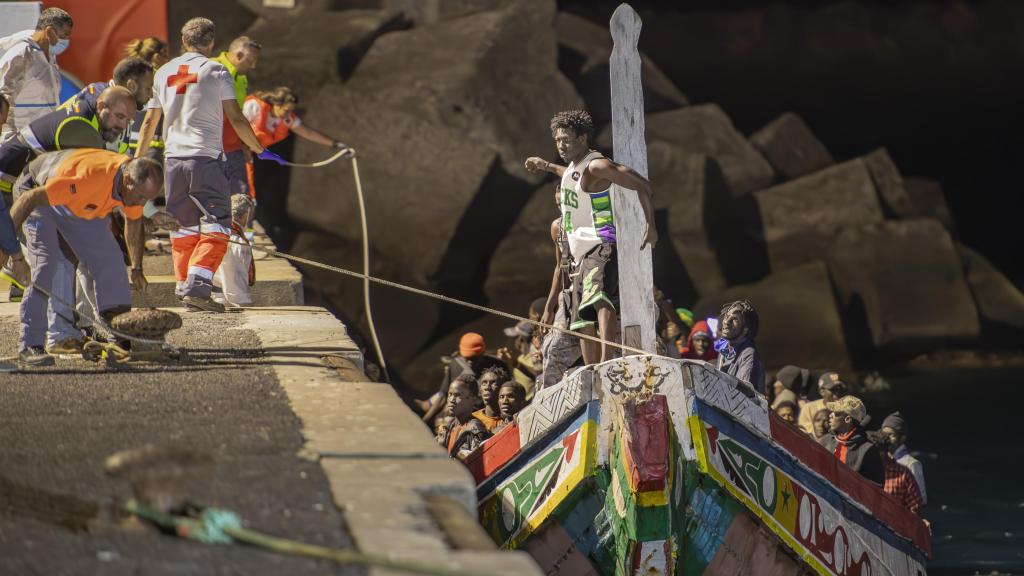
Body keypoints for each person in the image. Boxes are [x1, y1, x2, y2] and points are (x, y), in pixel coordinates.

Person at [134, 17, 271, 313]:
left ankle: (185, 286)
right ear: (210, 43)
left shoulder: (164, 72)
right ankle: (197, 286)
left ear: (183, 41)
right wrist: (257, 146)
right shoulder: (216, 70)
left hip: (173, 161)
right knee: (218, 225)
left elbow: (149, 122)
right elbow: (235, 117)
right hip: (205, 159)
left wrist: (135, 161)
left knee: (182, 228)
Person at [0, 86, 138, 354]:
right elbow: (35, 193)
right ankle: (54, 337)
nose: (123, 126)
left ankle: (73, 331)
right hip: (22, 187)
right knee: (53, 262)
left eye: (128, 120)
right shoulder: (80, 127)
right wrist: (12, 251)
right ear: (101, 106)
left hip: (37, 188)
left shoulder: (93, 124)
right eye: (120, 117)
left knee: (74, 259)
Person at [1, 149, 162, 366]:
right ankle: (30, 344)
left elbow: (133, 223)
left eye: (148, 199)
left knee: (112, 260)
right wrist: (9, 252)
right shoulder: (88, 178)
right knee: (47, 263)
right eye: (141, 197)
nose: (142, 204)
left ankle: (120, 337)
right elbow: (30, 198)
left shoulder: (131, 186)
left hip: (79, 202)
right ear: (127, 180)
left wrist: (137, 269)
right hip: (37, 193)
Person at [524, 109, 656, 364]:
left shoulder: (597, 165)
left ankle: (607, 362)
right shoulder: (575, 169)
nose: (561, 145)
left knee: (600, 300)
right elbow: (572, 176)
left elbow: (642, 184)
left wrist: (651, 224)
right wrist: (546, 166)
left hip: (601, 243)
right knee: (581, 317)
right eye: (558, 141)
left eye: (567, 140)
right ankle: (592, 369)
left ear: (583, 139)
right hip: (578, 255)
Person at [242, 86, 353, 198]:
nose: (288, 114)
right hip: (232, 150)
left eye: (291, 111)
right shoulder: (254, 107)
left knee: (247, 192)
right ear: (277, 104)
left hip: (246, 157)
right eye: (286, 110)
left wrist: (334, 143)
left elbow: (308, 133)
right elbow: (234, 126)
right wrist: (243, 147)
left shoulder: (287, 119)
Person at [0, 8, 73, 142]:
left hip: (42, 138)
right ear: (49, 31)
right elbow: (3, 99)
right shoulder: (21, 55)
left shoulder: (51, 56)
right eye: (64, 35)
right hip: (18, 139)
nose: (66, 41)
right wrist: (9, 140)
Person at [420, 332, 508, 425]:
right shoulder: (455, 365)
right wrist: (425, 420)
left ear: (482, 353)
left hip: (484, 416)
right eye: (467, 358)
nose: (470, 362)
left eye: (474, 358)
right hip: (457, 414)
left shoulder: (498, 366)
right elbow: (442, 395)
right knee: (441, 421)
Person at [212, 36, 261, 199]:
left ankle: (239, 225)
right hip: (211, 149)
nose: (253, 66)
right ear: (239, 55)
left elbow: (236, 116)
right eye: (251, 60)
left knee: (241, 197)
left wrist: (243, 144)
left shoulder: (241, 78)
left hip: (233, 147)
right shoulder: (211, 69)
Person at [539, 216, 582, 390]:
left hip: (598, 289)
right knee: (553, 348)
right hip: (569, 296)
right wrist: (549, 308)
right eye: (558, 203)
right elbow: (560, 267)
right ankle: (549, 396)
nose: (561, 207)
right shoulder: (558, 226)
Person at [818, 395, 884, 485]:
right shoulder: (825, 441)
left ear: (848, 419)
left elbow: (875, 489)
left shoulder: (867, 450)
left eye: (836, 413)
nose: (830, 415)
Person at [125, 37, 169, 161]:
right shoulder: (160, 77)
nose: (167, 60)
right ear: (156, 57)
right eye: (165, 55)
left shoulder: (131, 75)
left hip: (129, 142)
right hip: (152, 145)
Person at [61, 56, 155, 114]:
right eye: (148, 89)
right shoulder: (97, 103)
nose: (151, 95)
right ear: (131, 86)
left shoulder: (118, 105)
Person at [212, 193, 255, 307]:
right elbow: (236, 278)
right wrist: (244, 303)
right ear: (246, 215)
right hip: (230, 301)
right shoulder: (237, 242)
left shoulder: (218, 234)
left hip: (217, 297)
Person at [868, 430, 925, 515]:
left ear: (883, 452)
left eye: (873, 452)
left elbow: (915, 509)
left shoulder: (903, 474)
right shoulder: (865, 470)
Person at [715, 300, 766, 394]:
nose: (726, 321)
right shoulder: (725, 349)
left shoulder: (748, 354)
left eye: (735, 320)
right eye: (726, 316)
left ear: (745, 330)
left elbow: (740, 395)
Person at [439, 373, 492, 460]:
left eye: (457, 395)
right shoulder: (450, 426)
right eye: (450, 394)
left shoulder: (475, 430)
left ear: (473, 400)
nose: (451, 400)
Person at [881, 412, 927, 504]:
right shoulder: (880, 460)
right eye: (884, 434)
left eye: (891, 435)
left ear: (902, 438)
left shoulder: (912, 464)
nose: (886, 438)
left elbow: (920, 501)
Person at [798, 371, 848, 436]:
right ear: (822, 391)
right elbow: (804, 434)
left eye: (839, 388)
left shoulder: (847, 409)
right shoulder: (809, 408)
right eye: (832, 389)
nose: (837, 393)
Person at [472, 365, 507, 432]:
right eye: (484, 383)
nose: (487, 387)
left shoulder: (512, 418)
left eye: (493, 383)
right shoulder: (473, 419)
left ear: (502, 388)